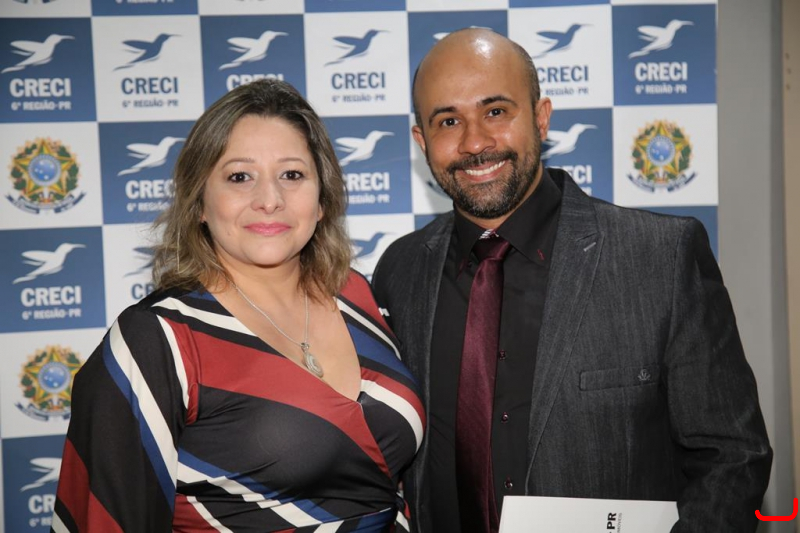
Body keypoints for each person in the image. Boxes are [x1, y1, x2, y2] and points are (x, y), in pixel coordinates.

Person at [371, 28, 771, 533]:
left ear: (541, 117)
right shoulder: (400, 270)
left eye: (496, 111)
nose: (474, 142)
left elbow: (732, 457)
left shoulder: (660, 257)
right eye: (448, 121)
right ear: (421, 140)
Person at [52, 79, 425, 533]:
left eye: (292, 175)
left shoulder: (356, 296)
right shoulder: (157, 341)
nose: (269, 200)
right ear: (199, 203)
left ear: (322, 199)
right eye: (239, 177)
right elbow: (103, 520)